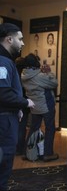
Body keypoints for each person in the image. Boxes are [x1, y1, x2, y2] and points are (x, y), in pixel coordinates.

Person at [0, 23, 35, 190]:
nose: (22, 43)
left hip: (8, 117)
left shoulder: (6, 61)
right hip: (4, 122)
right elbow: (3, 94)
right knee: (4, 164)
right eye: (20, 39)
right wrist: (25, 102)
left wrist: (18, 108)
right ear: (9, 39)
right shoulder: (3, 62)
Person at [21, 53, 59, 162]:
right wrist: (49, 72)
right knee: (50, 128)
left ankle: (27, 152)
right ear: (36, 63)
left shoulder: (24, 75)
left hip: (34, 106)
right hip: (46, 106)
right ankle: (47, 154)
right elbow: (54, 83)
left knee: (33, 128)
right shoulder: (40, 76)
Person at [15, 57, 30, 155]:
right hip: (23, 104)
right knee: (21, 127)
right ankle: (20, 149)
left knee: (15, 127)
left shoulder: (13, 74)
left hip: (14, 104)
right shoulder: (25, 77)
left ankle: (15, 148)